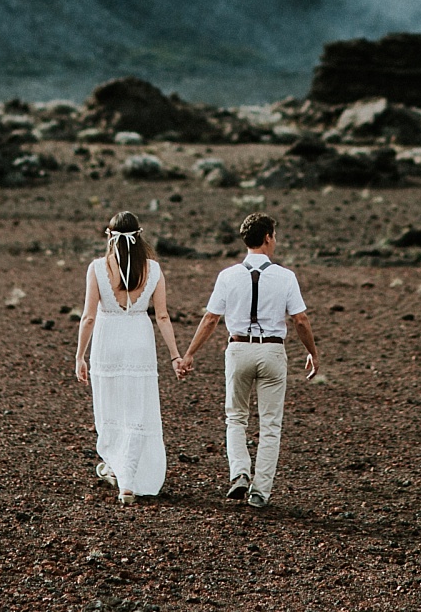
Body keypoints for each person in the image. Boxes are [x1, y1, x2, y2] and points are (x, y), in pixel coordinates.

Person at [175, 212, 318, 509]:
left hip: (238, 349)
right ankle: (260, 490)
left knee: (236, 418)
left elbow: (211, 318)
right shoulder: (285, 276)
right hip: (272, 351)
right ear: (267, 237)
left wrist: (189, 353)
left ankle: (239, 472)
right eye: (274, 236)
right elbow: (301, 320)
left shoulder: (227, 276)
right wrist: (312, 352)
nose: (275, 241)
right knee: (270, 425)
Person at [74, 210, 184, 504]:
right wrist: (174, 355)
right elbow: (162, 315)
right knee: (137, 411)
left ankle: (121, 475)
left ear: (109, 236)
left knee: (110, 409)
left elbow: (88, 317)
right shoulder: (154, 269)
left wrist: (79, 356)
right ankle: (127, 478)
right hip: (139, 341)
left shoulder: (97, 268)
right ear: (139, 236)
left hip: (108, 342)